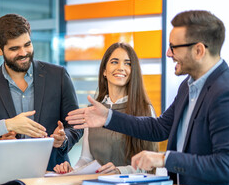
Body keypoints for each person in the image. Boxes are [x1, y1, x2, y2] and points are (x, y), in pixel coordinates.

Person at [66, 10, 229, 185]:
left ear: (199, 50)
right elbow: (159, 128)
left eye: (174, 47)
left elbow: (228, 165)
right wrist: (108, 117)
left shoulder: (226, 92)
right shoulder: (188, 87)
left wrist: (165, 159)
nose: (168, 53)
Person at [0, 13, 82, 171]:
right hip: (4, 172)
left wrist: (63, 139)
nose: (23, 53)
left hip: (54, 170)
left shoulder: (58, 76)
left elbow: (76, 125)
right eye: (15, 48)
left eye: (27, 45)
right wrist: (0, 142)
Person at [53, 43, 158, 174]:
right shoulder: (93, 111)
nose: (121, 68)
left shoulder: (145, 110)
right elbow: (86, 158)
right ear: (104, 70)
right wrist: (72, 170)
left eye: (127, 63)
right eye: (114, 62)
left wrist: (120, 171)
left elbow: (151, 165)